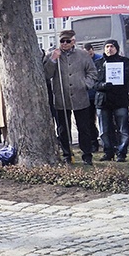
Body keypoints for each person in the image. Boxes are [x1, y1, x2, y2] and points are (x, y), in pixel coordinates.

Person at [43, 31, 98, 164]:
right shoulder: (52, 55)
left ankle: (87, 154)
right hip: (61, 97)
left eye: (68, 41)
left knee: (84, 127)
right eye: (62, 41)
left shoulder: (83, 55)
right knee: (63, 129)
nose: (65, 44)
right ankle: (67, 154)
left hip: (80, 97)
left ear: (73, 41)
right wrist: (52, 60)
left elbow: (92, 72)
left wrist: (86, 84)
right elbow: (46, 74)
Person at [94, 39, 129, 162]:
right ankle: (108, 152)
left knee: (122, 128)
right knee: (104, 129)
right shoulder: (98, 63)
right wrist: (103, 85)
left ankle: (121, 152)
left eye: (112, 46)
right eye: (107, 46)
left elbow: (127, 79)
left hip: (119, 99)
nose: (109, 49)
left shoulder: (124, 61)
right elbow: (93, 82)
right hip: (102, 100)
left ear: (116, 48)